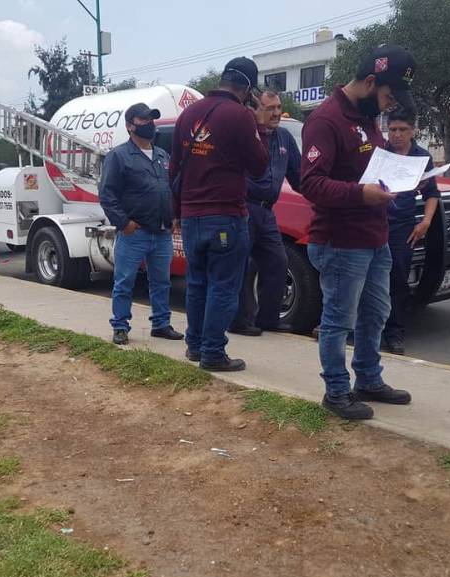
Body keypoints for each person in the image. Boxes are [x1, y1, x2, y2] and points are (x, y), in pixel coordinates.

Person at [300, 45, 417, 420]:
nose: (388, 107)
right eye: (386, 97)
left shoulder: (366, 120)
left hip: (374, 238)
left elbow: (366, 168)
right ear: (370, 82)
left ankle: (368, 379)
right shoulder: (325, 120)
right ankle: (336, 392)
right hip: (340, 242)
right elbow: (312, 183)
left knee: (375, 314)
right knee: (338, 321)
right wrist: (360, 194)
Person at [169, 57, 269, 372]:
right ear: (249, 89)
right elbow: (259, 166)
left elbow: (174, 167)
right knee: (223, 286)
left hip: (191, 217)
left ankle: (195, 346)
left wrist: (177, 212)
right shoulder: (240, 116)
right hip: (224, 214)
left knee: (197, 283)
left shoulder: (188, 113)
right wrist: (260, 127)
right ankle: (213, 352)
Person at [99, 102, 183, 346]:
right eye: (144, 120)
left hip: (162, 232)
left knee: (161, 281)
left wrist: (174, 214)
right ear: (130, 126)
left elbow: (170, 188)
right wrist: (124, 223)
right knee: (125, 281)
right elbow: (107, 195)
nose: (150, 125)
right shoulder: (119, 156)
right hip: (134, 233)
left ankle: (161, 324)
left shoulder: (161, 155)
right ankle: (121, 326)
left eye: (151, 120)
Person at [229, 89, 302, 336]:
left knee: (277, 262)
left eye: (278, 107)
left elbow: (299, 177)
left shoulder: (284, 139)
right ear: (256, 109)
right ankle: (239, 321)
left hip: (267, 212)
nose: (277, 113)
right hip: (244, 208)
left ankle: (268, 319)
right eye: (270, 108)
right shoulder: (246, 136)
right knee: (240, 267)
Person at [382, 107, 440, 355]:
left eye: (402, 130)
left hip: (402, 228)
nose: (396, 135)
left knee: (398, 281)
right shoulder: (380, 153)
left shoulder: (422, 157)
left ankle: (395, 334)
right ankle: (364, 329)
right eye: (392, 129)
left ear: (412, 130)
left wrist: (425, 222)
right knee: (369, 281)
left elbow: (432, 194)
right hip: (375, 222)